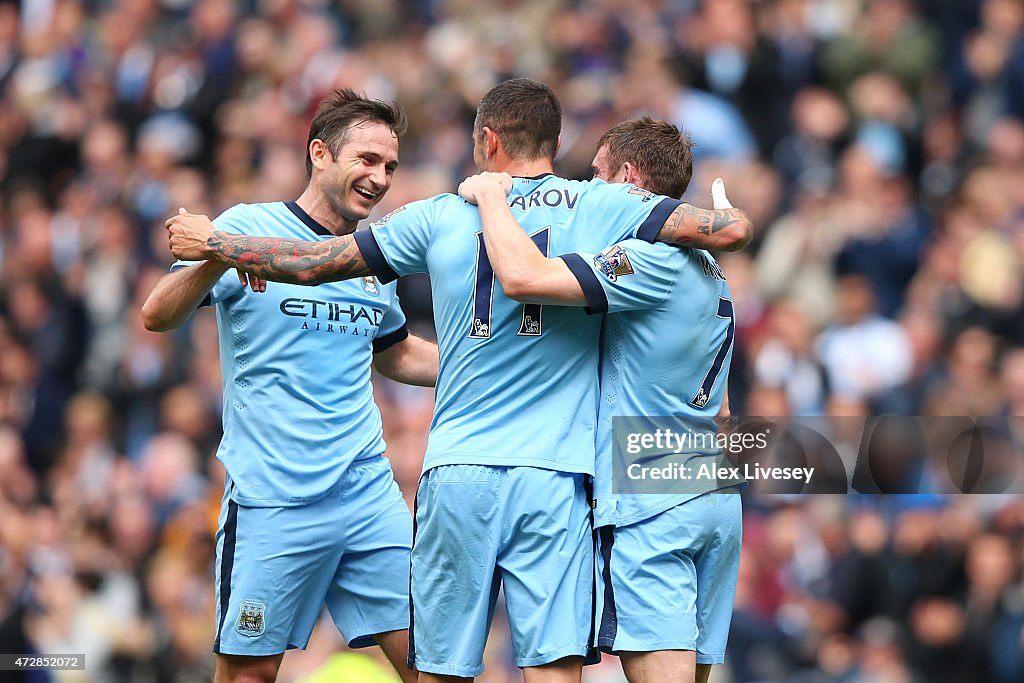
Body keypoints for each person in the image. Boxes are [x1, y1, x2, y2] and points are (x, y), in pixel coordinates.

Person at [163, 78, 752, 683]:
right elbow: (722, 232)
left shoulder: (442, 213)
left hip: (460, 475)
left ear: (487, 141)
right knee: (554, 669)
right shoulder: (602, 208)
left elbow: (317, 263)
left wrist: (218, 243)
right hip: (567, 478)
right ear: (556, 141)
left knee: (439, 670)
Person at [141, 89, 436, 683]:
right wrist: (218, 258)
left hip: (365, 492)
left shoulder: (371, 256)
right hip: (273, 497)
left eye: (390, 167)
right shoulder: (249, 227)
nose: (379, 179)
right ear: (320, 153)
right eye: (367, 160)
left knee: (433, 662)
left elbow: (396, 353)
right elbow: (158, 314)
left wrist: (485, 364)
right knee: (251, 673)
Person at [456, 117, 743, 683]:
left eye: (597, 174)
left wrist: (491, 195)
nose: (587, 191)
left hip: (650, 491)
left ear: (629, 179)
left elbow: (522, 277)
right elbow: (727, 408)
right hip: (715, 491)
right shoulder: (712, 269)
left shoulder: (650, 261)